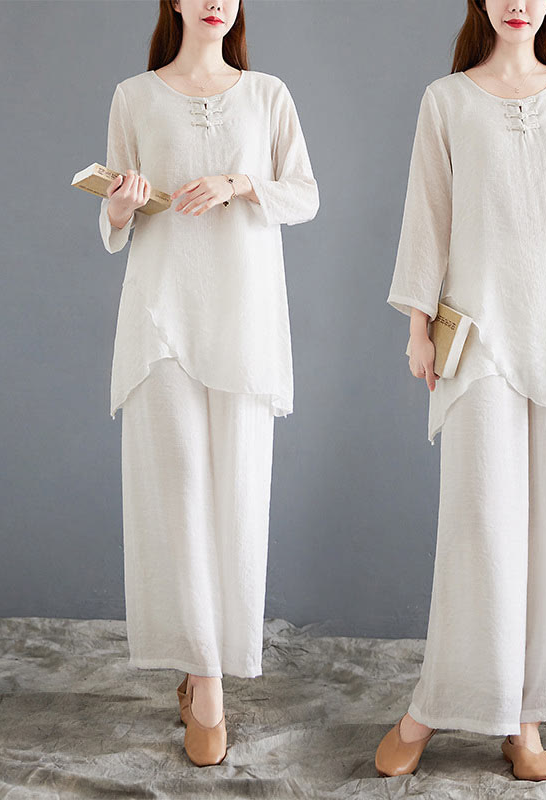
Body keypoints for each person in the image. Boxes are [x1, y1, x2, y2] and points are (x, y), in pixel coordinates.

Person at [376, 0, 546, 782]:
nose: (518, 4)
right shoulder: (446, 100)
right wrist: (418, 328)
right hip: (482, 339)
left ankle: (523, 722)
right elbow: (428, 215)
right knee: (482, 529)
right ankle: (433, 705)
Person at [98, 0, 319, 766]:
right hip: (161, 317)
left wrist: (240, 183)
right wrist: (121, 205)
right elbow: (115, 224)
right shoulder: (135, 96)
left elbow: (305, 194)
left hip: (244, 321)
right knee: (180, 492)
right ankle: (206, 681)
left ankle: (213, 664)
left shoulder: (268, 95)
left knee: (238, 494)